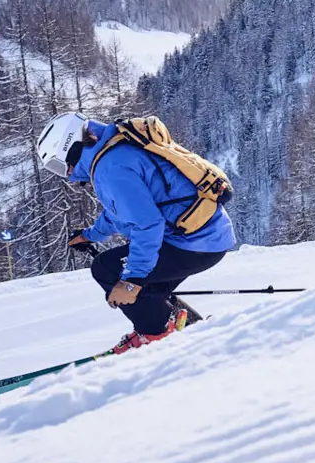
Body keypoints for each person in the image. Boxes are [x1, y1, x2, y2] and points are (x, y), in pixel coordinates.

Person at [35, 112, 236, 354]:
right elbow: (122, 211)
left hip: (195, 245)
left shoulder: (109, 169)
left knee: (108, 269)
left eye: (58, 165)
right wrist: (91, 235)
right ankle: (177, 324)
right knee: (144, 285)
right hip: (206, 235)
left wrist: (132, 280)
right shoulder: (116, 148)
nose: (65, 173)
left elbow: (147, 224)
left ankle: (157, 334)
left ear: (70, 148)